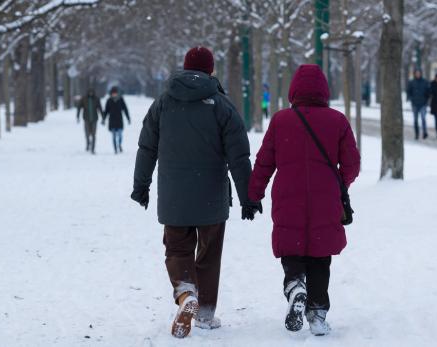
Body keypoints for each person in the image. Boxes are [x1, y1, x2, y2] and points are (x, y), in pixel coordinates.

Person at [131, 46, 261, 339]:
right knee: (209, 253)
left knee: (177, 248)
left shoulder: (163, 103)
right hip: (211, 194)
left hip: (174, 195)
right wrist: (248, 197)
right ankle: (204, 312)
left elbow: (146, 147)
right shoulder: (221, 105)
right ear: (210, 70)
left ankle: (185, 293)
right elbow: (238, 156)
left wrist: (141, 186)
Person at [247, 65, 360, 336]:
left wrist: (253, 195)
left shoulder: (281, 120)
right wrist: (338, 183)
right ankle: (318, 313)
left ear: (294, 90)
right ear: (324, 90)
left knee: (292, 249)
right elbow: (352, 163)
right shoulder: (337, 120)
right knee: (320, 258)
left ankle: (295, 286)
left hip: (288, 198)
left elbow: (264, 162)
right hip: (325, 201)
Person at [102, 86, 131, 153]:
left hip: (119, 120)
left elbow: (125, 109)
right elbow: (106, 111)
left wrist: (128, 118)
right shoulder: (109, 100)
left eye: (115, 93)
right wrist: (103, 119)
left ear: (117, 93)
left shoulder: (121, 99)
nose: (114, 94)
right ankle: (115, 148)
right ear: (111, 93)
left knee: (120, 135)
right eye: (113, 93)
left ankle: (119, 145)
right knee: (114, 136)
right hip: (112, 121)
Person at [406, 69, 431, 140]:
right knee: (415, 120)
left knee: (423, 118)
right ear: (415, 74)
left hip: (423, 104)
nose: (418, 74)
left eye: (419, 73)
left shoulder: (425, 82)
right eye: (416, 73)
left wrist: (427, 99)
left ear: (421, 74)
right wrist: (410, 98)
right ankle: (416, 134)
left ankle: (425, 132)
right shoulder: (411, 82)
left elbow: (428, 91)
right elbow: (408, 91)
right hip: (415, 104)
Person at [76, 88, 103, 154]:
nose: (91, 93)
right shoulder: (84, 99)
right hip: (86, 119)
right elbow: (79, 107)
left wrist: (103, 117)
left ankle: (93, 148)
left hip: (94, 119)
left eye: (92, 92)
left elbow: (100, 108)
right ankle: (88, 143)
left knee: (94, 134)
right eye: (90, 92)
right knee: (87, 134)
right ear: (88, 92)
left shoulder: (96, 99)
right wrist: (78, 116)